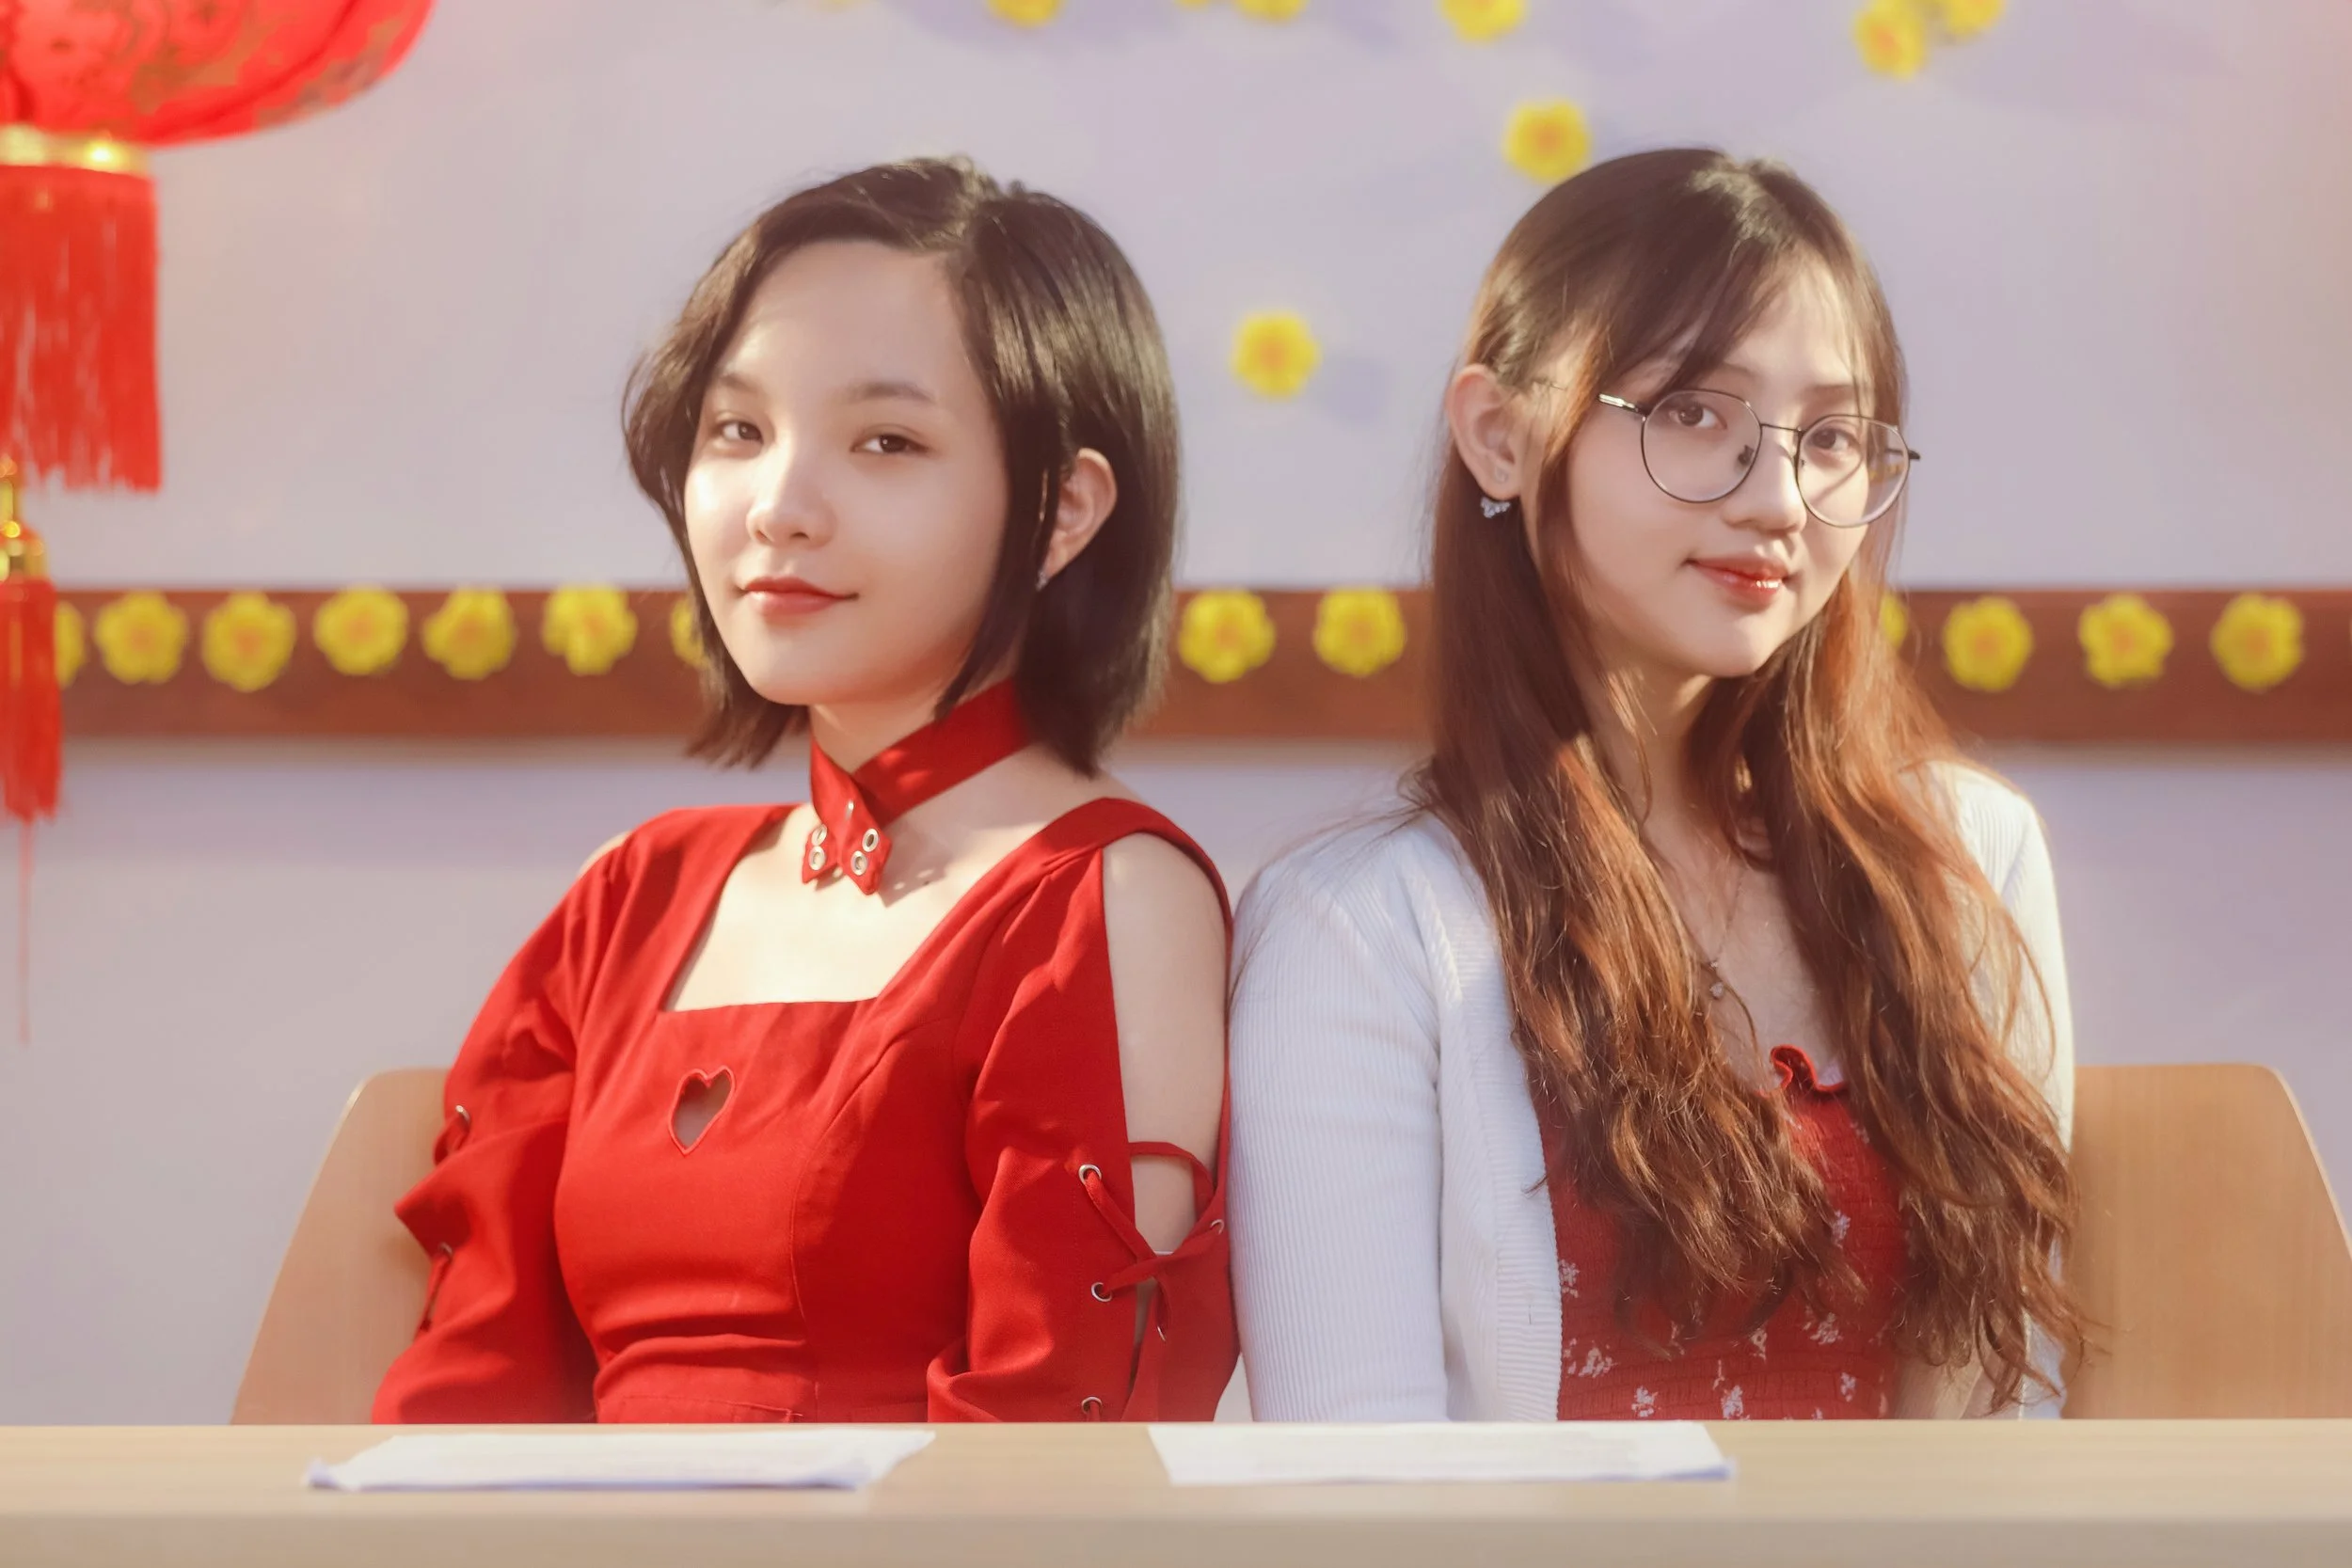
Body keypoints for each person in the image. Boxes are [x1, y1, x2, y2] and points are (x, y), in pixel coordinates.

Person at [374, 158, 1235, 1424]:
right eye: (738, 431)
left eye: (886, 441)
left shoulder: (1103, 897)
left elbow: (1051, 1458)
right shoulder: (631, 894)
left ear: (1062, 511)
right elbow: (466, 1397)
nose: (778, 507)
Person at [1230, 149, 2080, 1422]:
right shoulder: (1360, 927)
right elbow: (1357, 1485)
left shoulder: (1971, 860)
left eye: (1835, 436)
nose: (1782, 498)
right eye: (1694, 411)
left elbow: (2018, 1402)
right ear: (1501, 436)